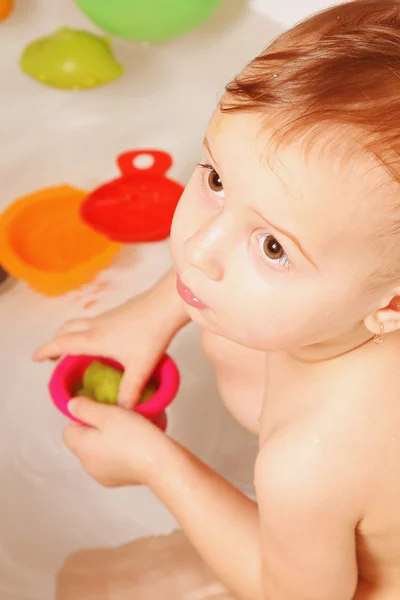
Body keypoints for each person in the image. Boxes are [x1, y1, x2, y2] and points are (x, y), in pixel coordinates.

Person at [35, 1, 400, 598]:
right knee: (225, 341)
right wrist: (153, 311)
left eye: (274, 248)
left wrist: (156, 463)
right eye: (216, 179)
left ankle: (253, 547)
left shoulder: (310, 461)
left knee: (83, 583)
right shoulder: (370, 274)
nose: (198, 248)